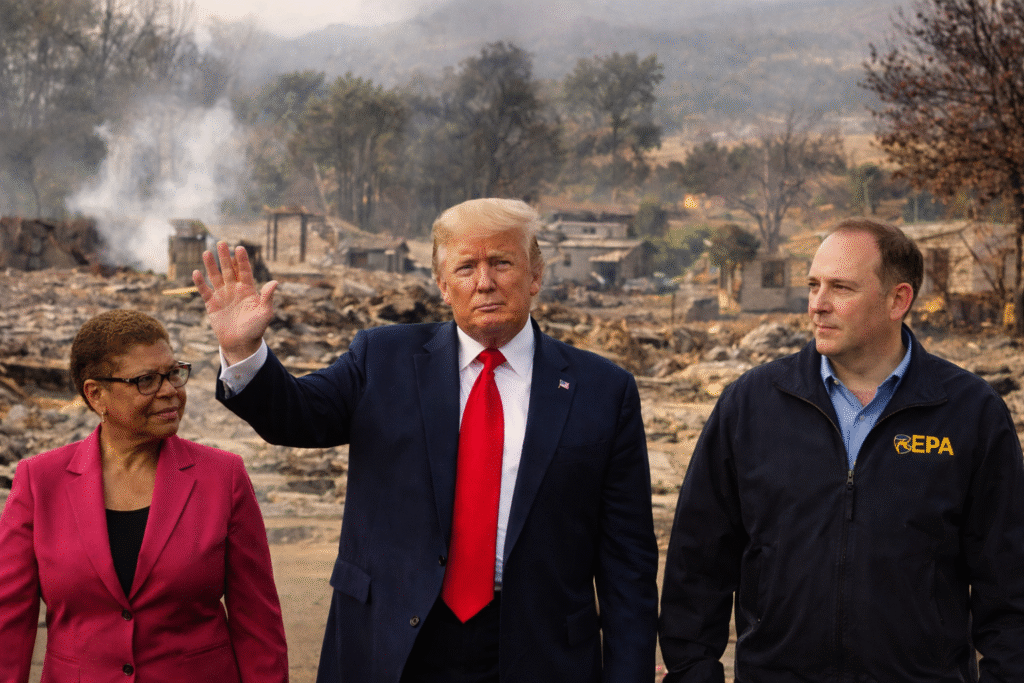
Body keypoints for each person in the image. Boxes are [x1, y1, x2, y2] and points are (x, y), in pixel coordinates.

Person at [193, 197, 659, 682]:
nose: (484, 282)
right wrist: (242, 349)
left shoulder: (603, 389)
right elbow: (295, 416)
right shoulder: (382, 358)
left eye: (502, 263)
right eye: (465, 267)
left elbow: (628, 560)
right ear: (441, 285)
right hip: (393, 642)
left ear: (535, 275)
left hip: (539, 649)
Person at [659, 217, 1024, 682]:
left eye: (841, 288)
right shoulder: (751, 404)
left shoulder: (970, 412)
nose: (817, 305)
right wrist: (693, 673)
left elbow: (1010, 584)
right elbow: (698, 562)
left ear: (898, 300)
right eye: (813, 285)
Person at [0, 309, 288, 683]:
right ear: (96, 394)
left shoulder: (223, 477)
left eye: (173, 373)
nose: (170, 390)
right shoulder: (40, 482)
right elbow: (9, 622)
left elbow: (258, 624)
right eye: (147, 381)